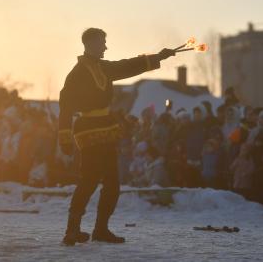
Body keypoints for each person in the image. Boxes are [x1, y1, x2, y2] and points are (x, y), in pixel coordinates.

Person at [58, 28, 175, 245]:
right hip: (88, 131)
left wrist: (158, 56)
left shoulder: (104, 67)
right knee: (89, 181)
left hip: (106, 129)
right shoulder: (75, 74)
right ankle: (72, 230)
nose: (105, 46)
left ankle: (101, 229)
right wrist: (64, 138)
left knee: (112, 182)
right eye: (102, 42)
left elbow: (128, 65)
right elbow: (65, 107)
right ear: (91, 43)